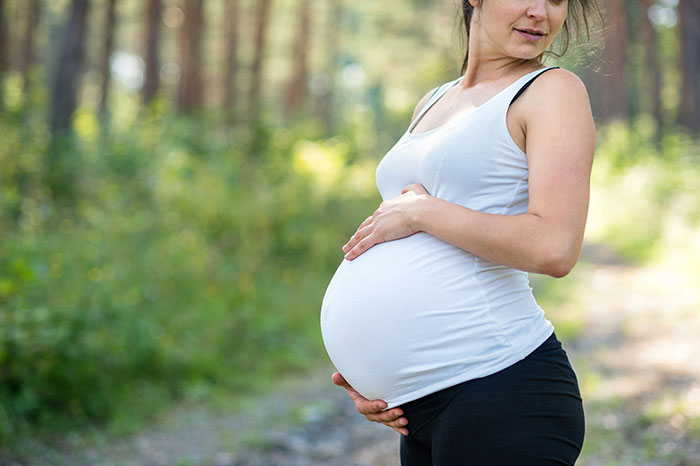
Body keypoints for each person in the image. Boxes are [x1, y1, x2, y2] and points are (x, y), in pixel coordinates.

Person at [320, 0, 603, 464]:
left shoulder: (551, 91)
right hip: (419, 409)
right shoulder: (435, 99)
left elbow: (555, 247)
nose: (540, 12)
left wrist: (423, 212)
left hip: (501, 391)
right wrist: (370, 374)